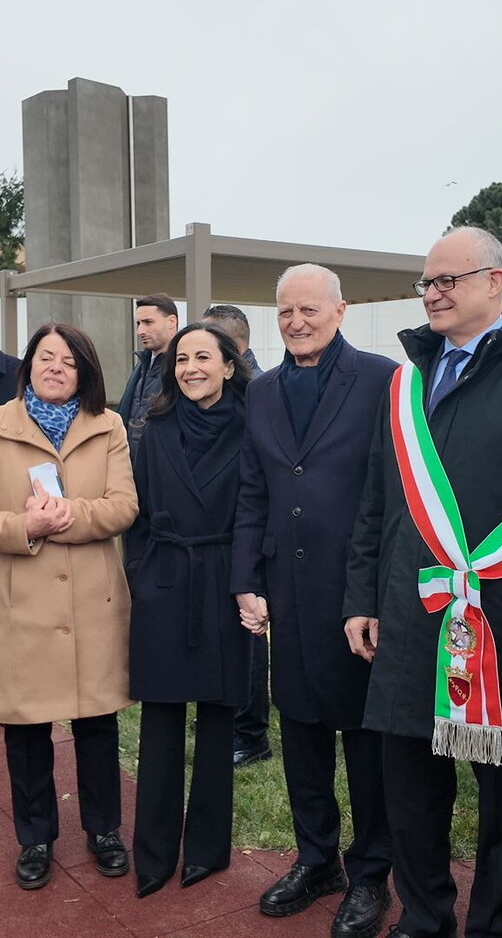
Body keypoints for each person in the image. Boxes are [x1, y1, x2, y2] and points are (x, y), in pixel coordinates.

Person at [344, 226, 502, 938]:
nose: (432, 294)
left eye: (447, 280)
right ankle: (425, 916)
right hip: (408, 615)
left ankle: (500, 926)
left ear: (495, 283)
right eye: (427, 282)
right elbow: (378, 500)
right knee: (411, 791)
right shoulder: (407, 381)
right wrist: (361, 597)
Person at [231, 264, 395, 936]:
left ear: (340, 310)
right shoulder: (263, 390)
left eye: (309, 309)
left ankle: (372, 873)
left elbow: (393, 491)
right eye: (285, 311)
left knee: (363, 738)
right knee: (299, 729)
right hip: (287, 592)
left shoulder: (383, 379)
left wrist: (378, 594)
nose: (296, 321)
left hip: (357, 595)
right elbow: (253, 489)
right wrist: (246, 578)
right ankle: (316, 857)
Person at [0, 322, 138, 890]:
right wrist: (24, 526)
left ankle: (104, 830)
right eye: (46, 358)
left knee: (96, 724)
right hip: (22, 604)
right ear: (28, 365)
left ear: (85, 371)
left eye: (69, 361)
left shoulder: (109, 426)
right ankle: (35, 838)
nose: (56, 368)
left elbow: (123, 506)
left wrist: (67, 517)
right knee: (26, 729)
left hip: (93, 600)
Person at [125, 321, 254, 898]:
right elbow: (138, 512)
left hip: (226, 582)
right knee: (161, 720)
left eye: (204, 357)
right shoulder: (155, 428)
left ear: (229, 365)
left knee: (219, 718)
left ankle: (206, 849)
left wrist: (249, 580)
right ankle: (152, 853)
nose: (190, 368)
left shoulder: (256, 428)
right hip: (166, 582)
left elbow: (261, 509)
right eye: (182, 359)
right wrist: (142, 574)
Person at [202, 303, 271, 769]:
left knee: (248, 637)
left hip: (244, 537)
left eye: (207, 349)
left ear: (233, 353)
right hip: (211, 539)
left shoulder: (260, 400)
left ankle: (251, 732)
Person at [118, 293, 179, 459]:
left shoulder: (182, 369)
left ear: (171, 322)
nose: (140, 331)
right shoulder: (142, 365)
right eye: (138, 323)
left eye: (148, 322)